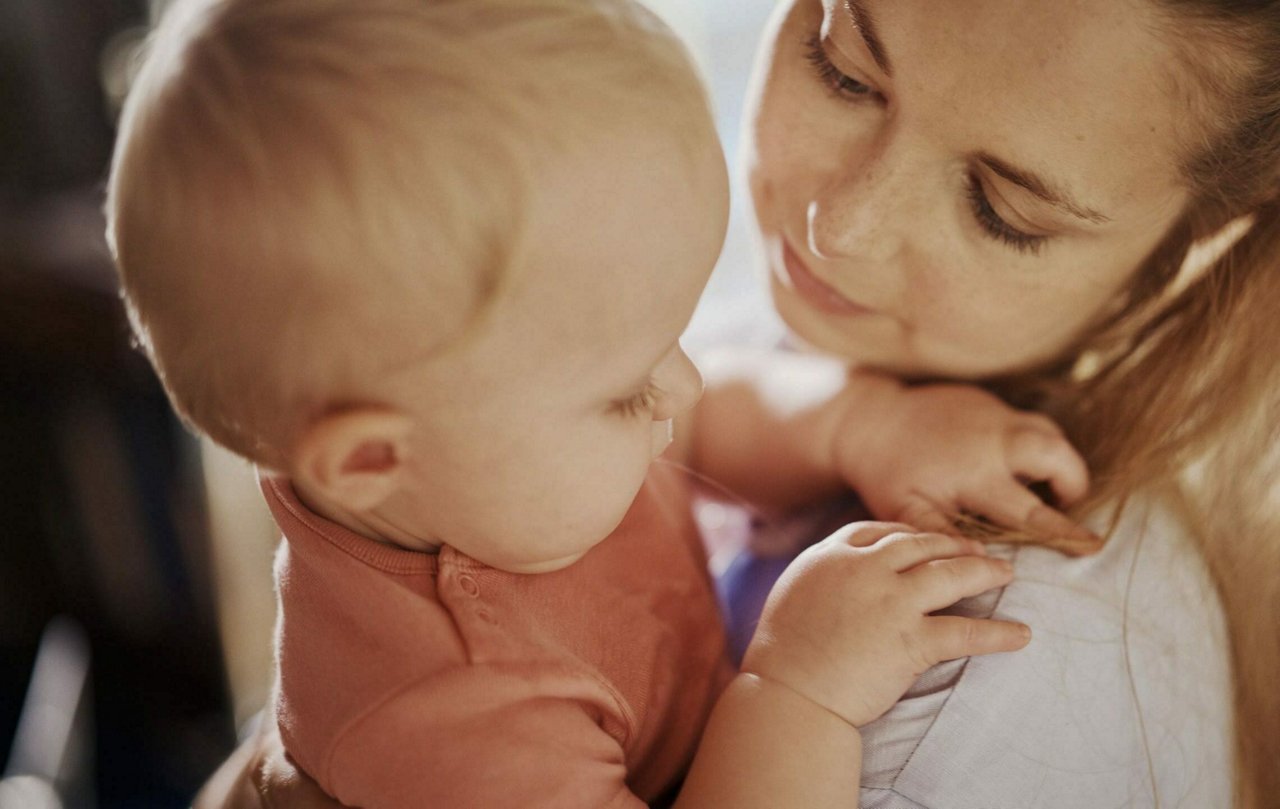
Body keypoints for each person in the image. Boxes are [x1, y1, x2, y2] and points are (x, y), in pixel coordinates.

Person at [193, 0, 1280, 805]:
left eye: (1000, 207)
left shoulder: (484, 413)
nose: (834, 232)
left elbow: (709, 415)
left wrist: (861, 422)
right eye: (841, 68)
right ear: (370, 457)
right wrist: (792, 693)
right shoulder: (456, 720)